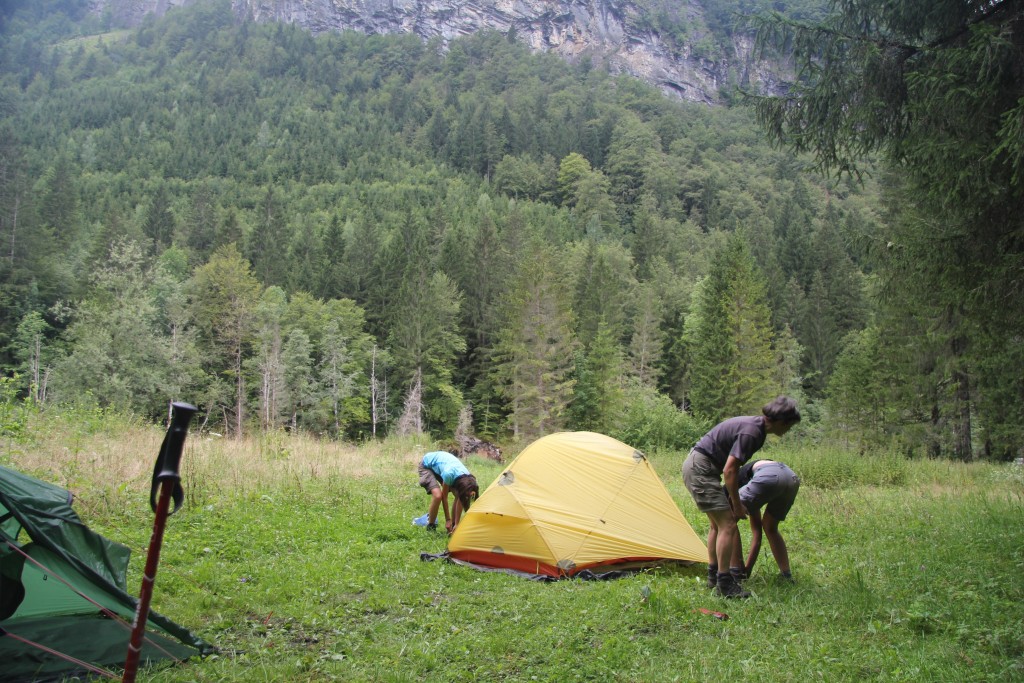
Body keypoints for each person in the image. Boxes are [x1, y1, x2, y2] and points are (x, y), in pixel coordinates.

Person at [682, 396, 801, 598]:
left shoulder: (755, 427)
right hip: (701, 469)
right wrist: (737, 505)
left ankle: (714, 577)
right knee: (728, 524)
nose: (788, 430)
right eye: (789, 426)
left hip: (698, 466)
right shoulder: (753, 432)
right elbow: (730, 470)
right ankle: (725, 584)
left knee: (717, 525)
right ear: (782, 421)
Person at [730, 459, 801, 582]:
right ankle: (786, 575)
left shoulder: (734, 485)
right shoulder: (750, 476)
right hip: (791, 477)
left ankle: (735, 572)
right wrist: (748, 568)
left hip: (768, 476)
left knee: (728, 522)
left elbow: (755, 532)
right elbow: (757, 533)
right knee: (770, 527)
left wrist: (744, 570)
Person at [417, 450, 479, 533]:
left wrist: (457, 524)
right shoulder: (448, 474)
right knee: (438, 495)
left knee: (458, 495)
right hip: (427, 465)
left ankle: (453, 526)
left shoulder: (470, 479)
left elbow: (461, 498)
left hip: (443, 466)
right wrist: (447, 519)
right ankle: (431, 526)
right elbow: (444, 497)